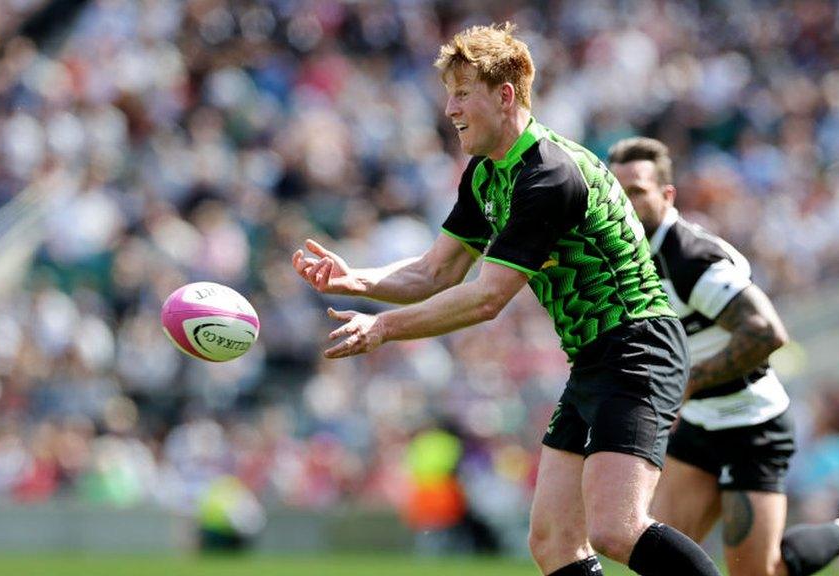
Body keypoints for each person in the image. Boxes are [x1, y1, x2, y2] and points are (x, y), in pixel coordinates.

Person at [292, 23, 721, 576]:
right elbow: (434, 271)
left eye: (462, 92)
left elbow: (487, 298)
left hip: (638, 347)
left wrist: (384, 328)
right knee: (553, 542)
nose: (449, 109)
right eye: (449, 93)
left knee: (616, 528)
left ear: (505, 95)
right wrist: (354, 281)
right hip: (594, 358)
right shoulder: (486, 173)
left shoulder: (549, 175)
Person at [608, 136, 839, 576]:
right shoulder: (633, 254)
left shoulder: (690, 258)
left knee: (759, 573)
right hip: (701, 423)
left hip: (752, 426)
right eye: (616, 192)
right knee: (663, 562)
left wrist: (686, 382)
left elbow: (766, 332)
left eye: (637, 191)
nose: (624, 202)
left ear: (666, 194)